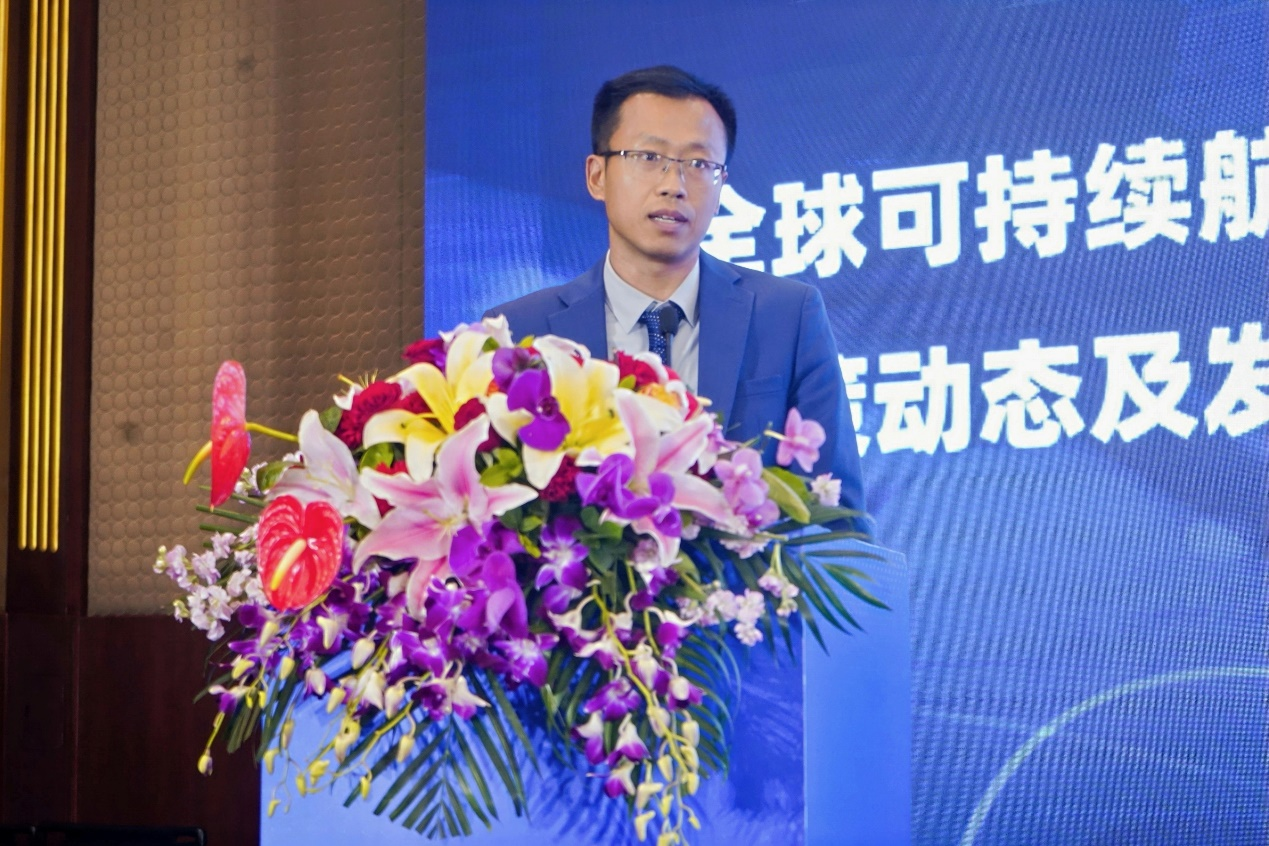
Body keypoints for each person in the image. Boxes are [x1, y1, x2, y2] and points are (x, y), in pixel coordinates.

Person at [487, 65, 864, 512]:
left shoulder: (788, 317)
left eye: (699, 164)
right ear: (597, 176)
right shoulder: (521, 334)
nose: (674, 185)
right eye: (649, 158)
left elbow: (838, 513)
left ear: (721, 186)